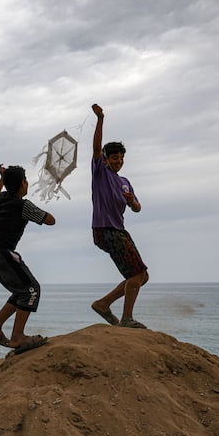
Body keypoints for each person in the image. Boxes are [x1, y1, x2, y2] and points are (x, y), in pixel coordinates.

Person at [0, 164, 56, 354]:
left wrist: (2, 178)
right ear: (23, 183)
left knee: (22, 290)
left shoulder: (3, 199)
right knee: (31, 290)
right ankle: (17, 337)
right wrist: (40, 211)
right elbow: (50, 220)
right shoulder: (23, 205)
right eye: (25, 180)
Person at [89, 103, 149, 328]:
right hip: (105, 230)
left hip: (119, 230)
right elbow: (96, 148)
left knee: (142, 277)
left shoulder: (125, 182)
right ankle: (126, 319)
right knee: (136, 275)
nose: (119, 161)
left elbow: (137, 207)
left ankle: (103, 304)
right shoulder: (100, 173)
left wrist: (134, 202)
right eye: (115, 158)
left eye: (121, 158)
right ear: (106, 159)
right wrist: (100, 119)